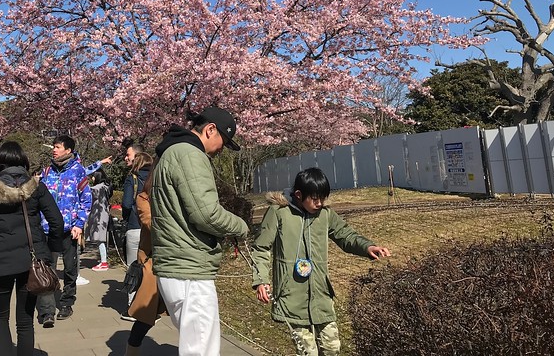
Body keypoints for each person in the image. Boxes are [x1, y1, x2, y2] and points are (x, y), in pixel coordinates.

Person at [252, 167, 392, 356]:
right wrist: (261, 280)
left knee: (332, 348)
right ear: (299, 195)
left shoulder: (325, 214)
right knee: (307, 352)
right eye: (315, 198)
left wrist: (367, 247)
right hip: (292, 296)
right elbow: (261, 247)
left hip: (321, 295)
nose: (320, 203)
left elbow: (345, 235)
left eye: (323, 198)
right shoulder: (279, 212)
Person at [150, 106, 249, 356]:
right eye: (223, 143)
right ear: (210, 129)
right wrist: (240, 226)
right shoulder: (189, 154)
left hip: (177, 266)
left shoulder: (171, 153)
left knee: (195, 344)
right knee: (201, 349)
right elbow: (206, 214)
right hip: (189, 271)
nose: (220, 151)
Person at [0, 141, 64, 356]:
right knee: (25, 320)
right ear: (23, 161)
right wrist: (51, 250)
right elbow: (57, 221)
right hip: (31, 260)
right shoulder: (36, 187)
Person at [37, 134, 92, 326]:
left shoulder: (78, 172)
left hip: (70, 230)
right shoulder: (46, 171)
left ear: (68, 150)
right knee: (47, 269)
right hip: (47, 229)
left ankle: (67, 302)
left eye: (58, 146)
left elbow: (86, 200)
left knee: (70, 269)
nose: (54, 149)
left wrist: (79, 224)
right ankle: (47, 311)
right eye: (53, 146)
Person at [124, 156, 166, 356]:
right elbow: (149, 222)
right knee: (146, 314)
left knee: (188, 315)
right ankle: (131, 351)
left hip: (182, 262)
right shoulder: (144, 197)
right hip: (154, 261)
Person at [121, 149, 152, 317]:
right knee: (148, 267)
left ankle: (132, 307)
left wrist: (127, 216)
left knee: (133, 267)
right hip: (152, 227)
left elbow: (126, 203)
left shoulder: (131, 178)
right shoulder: (156, 177)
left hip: (135, 225)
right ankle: (148, 305)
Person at [85, 169, 113, 271]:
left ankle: (103, 262)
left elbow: (87, 192)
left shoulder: (98, 188)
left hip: (99, 216)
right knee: (101, 240)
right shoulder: (105, 187)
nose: (92, 178)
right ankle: (103, 260)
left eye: (93, 176)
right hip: (103, 215)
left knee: (100, 240)